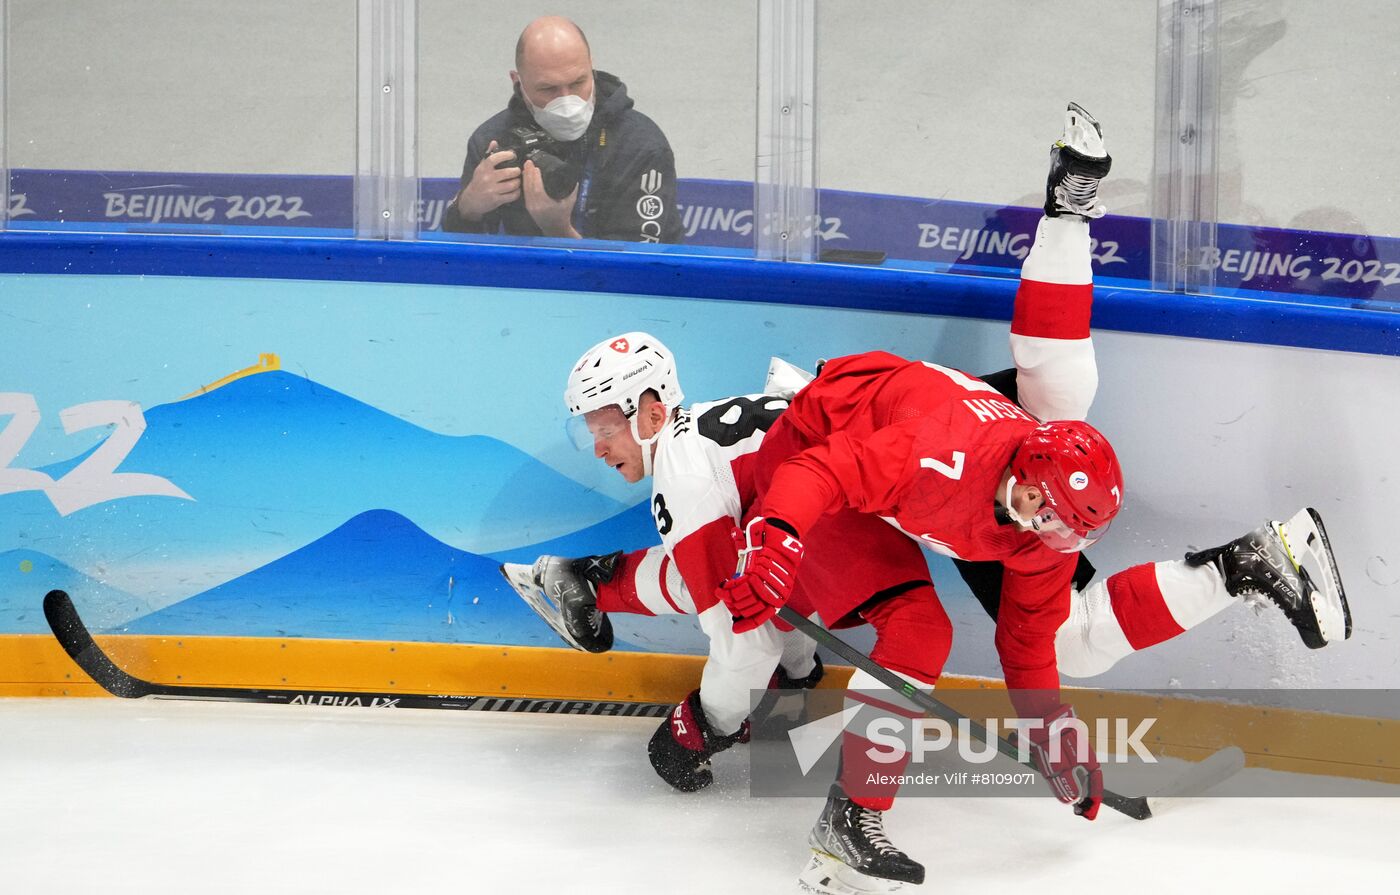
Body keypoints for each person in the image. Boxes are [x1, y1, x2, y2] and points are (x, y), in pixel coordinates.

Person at [714, 104, 1349, 894]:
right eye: (1045, 513)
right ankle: (850, 818)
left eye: (1065, 528)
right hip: (820, 445)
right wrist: (774, 535)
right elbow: (820, 473)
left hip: (946, 428)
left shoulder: (1045, 522)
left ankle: (1240, 561)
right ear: (1023, 475)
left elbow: (1026, 644)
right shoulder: (938, 465)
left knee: (1066, 444)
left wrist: (1055, 734)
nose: (1049, 534)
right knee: (921, 627)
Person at [440, 16, 682, 244]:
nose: (567, 101)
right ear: (517, 82)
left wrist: (557, 230)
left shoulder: (640, 145)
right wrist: (468, 207)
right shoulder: (492, 140)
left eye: (578, 83)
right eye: (548, 89)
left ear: (591, 67)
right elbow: (455, 265)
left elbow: (638, 273)